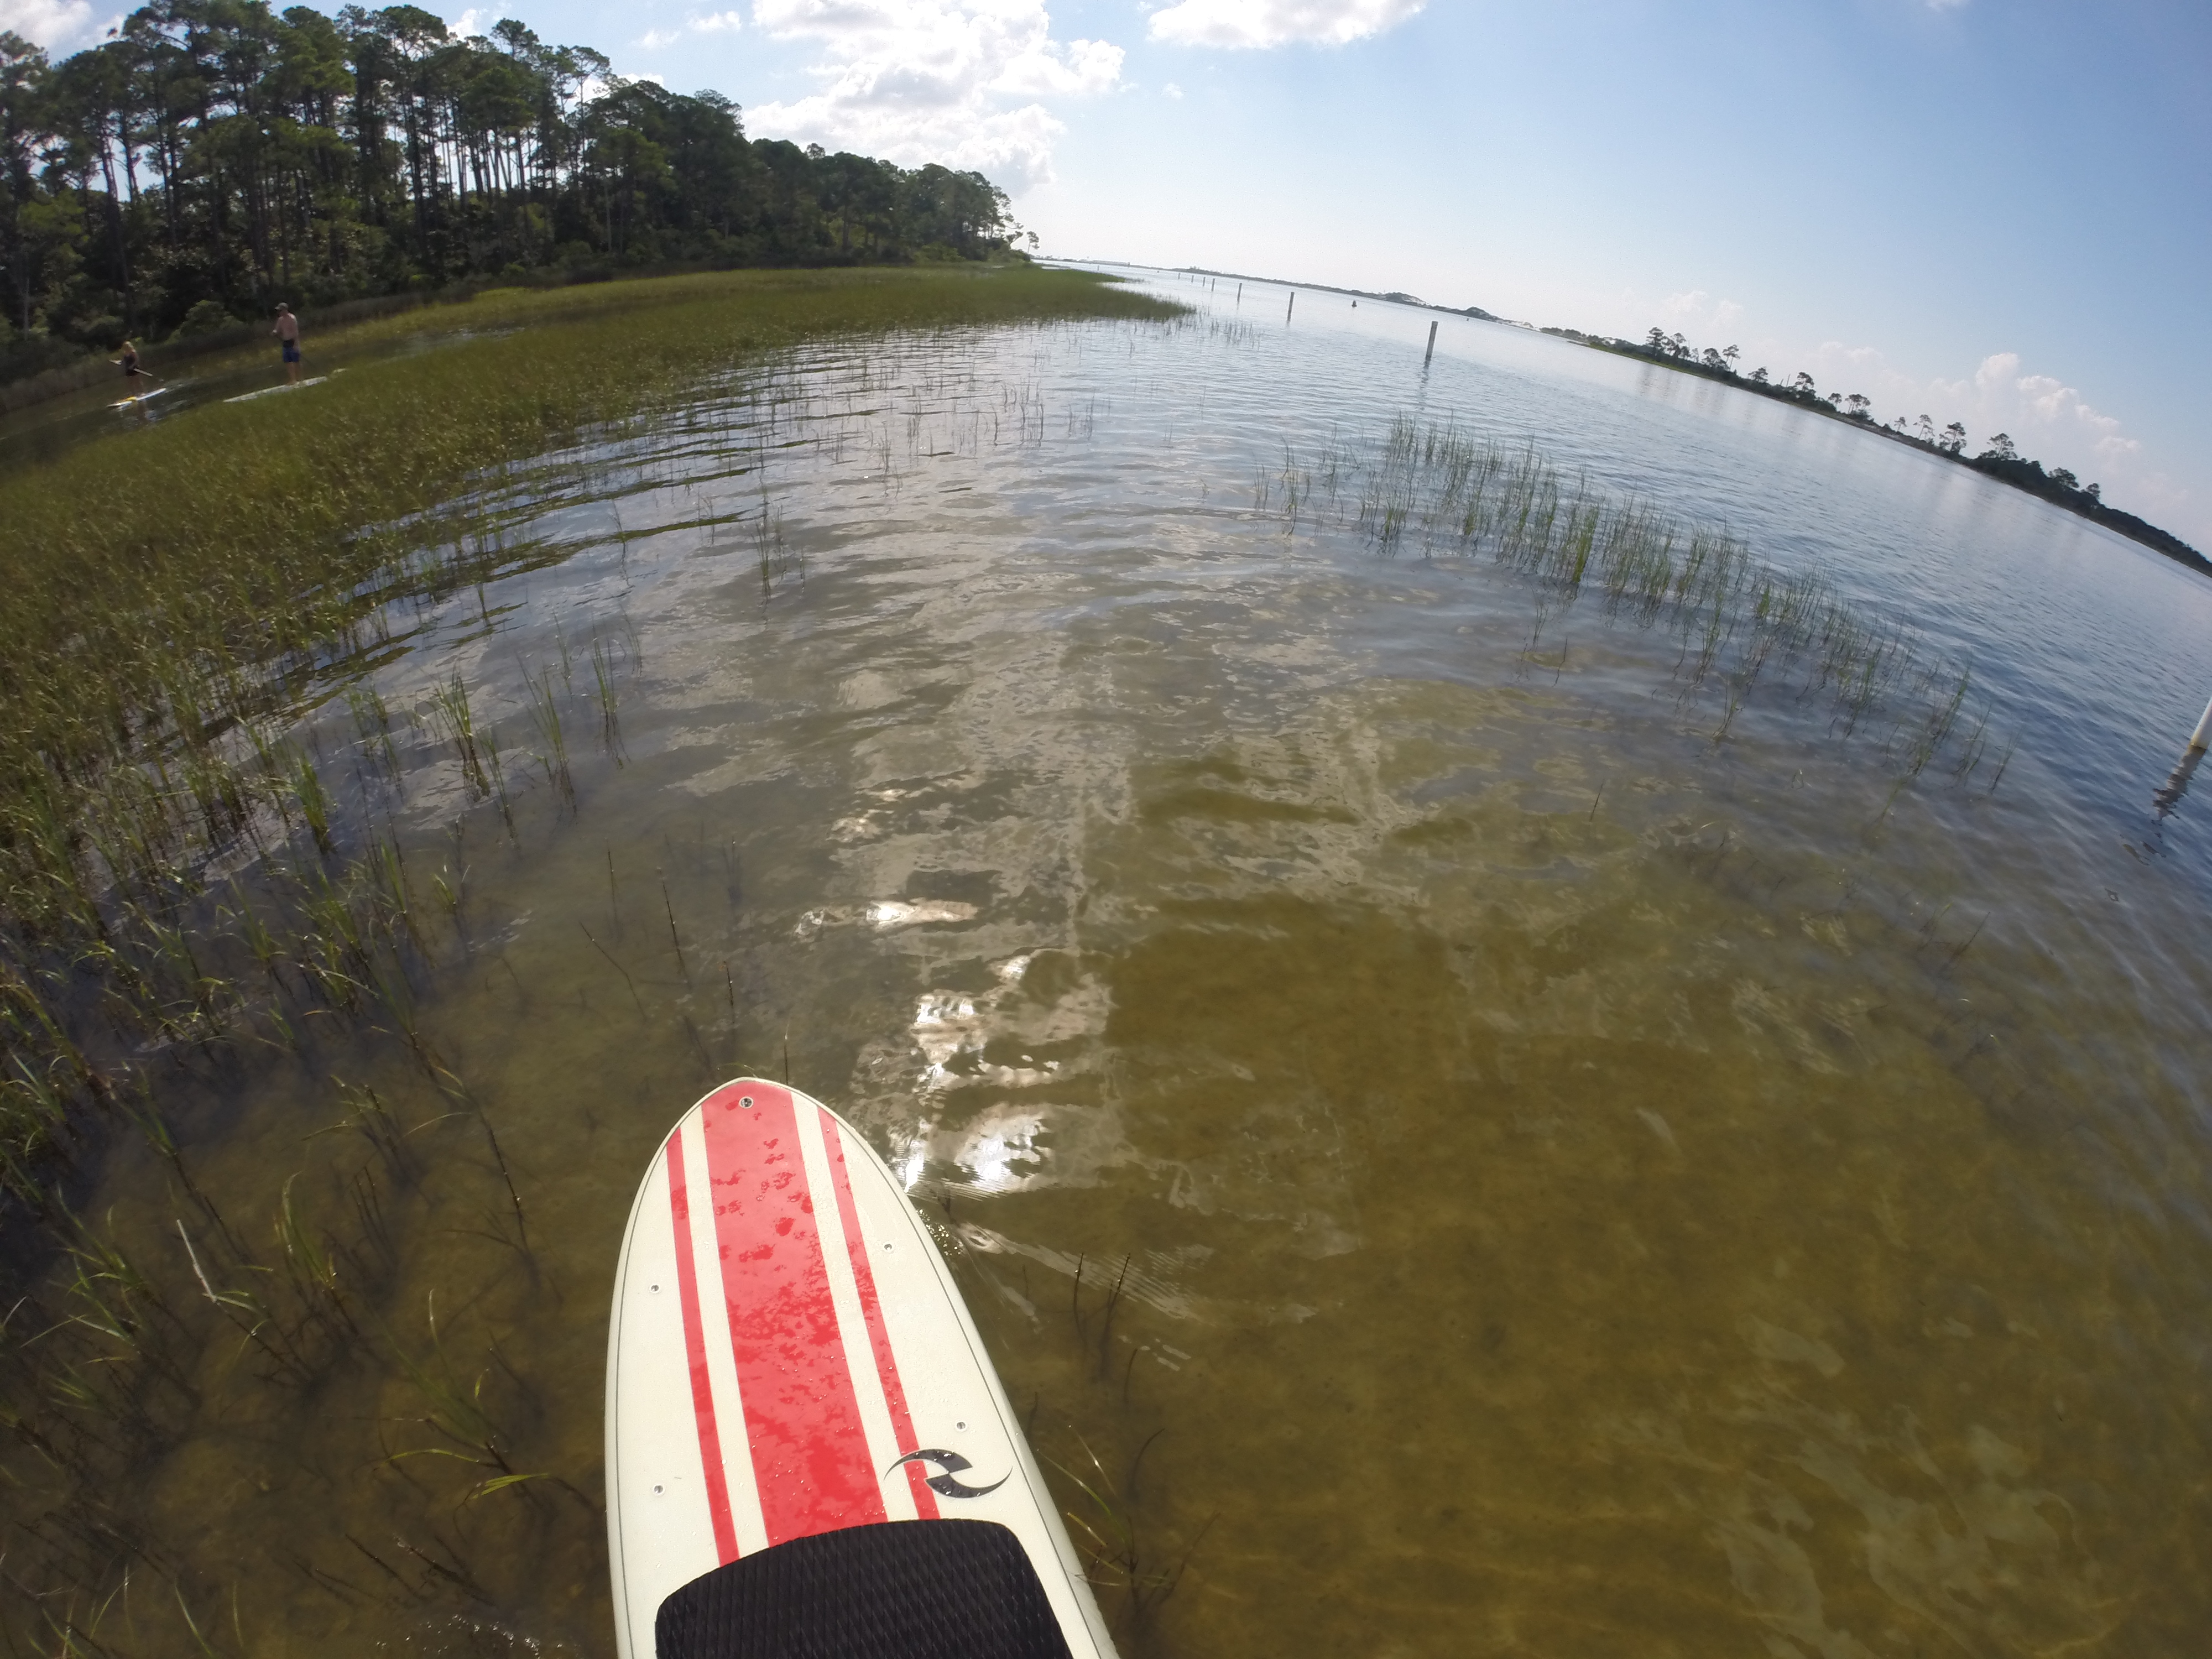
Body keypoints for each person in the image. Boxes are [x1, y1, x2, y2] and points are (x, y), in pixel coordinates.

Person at [273, 302, 301, 383]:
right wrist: (275, 332)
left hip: (293, 341)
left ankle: (300, 379)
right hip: (285, 342)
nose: (279, 313)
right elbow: (277, 329)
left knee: (296, 361)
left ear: (285, 310)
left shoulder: (292, 318)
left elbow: (296, 332)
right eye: (279, 311)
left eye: (281, 311)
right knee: (288, 362)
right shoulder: (280, 320)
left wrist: (296, 344)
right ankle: (293, 380)